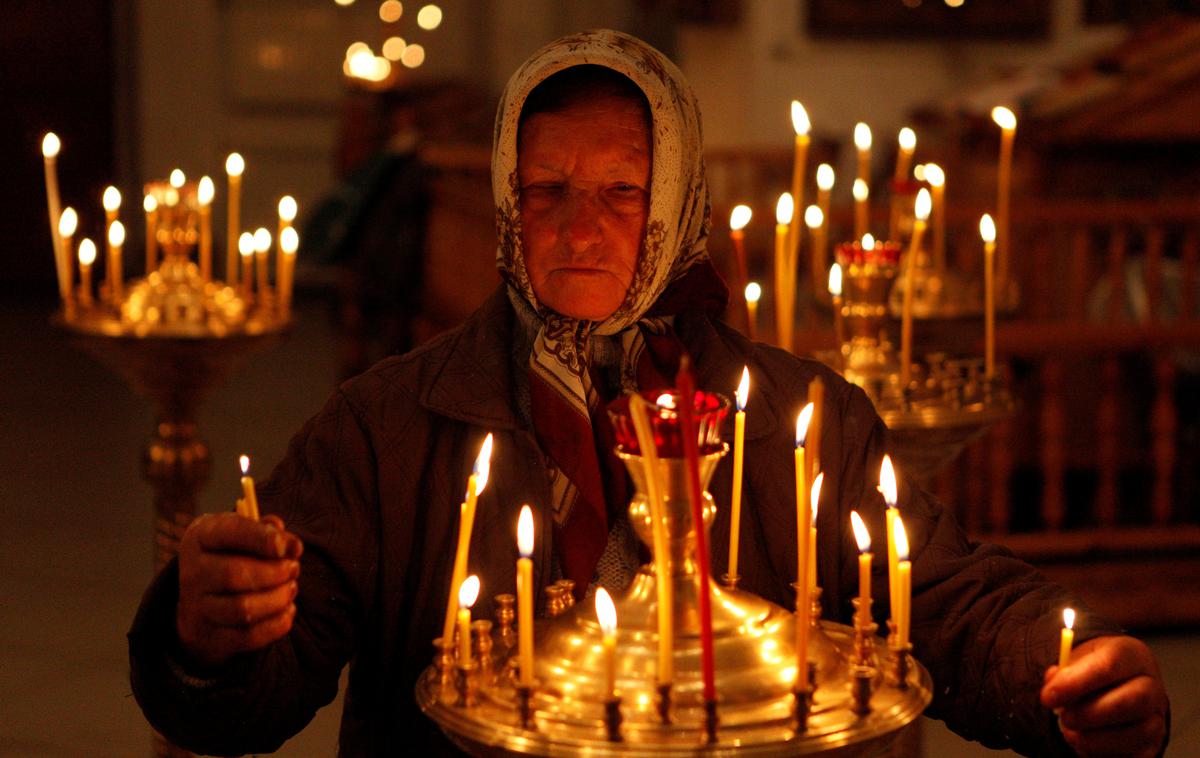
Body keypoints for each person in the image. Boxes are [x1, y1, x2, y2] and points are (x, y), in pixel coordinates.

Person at [129, 30, 1169, 757]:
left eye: (623, 191)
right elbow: (258, 691)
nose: (582, 226)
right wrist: (207, 636)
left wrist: (1066, 669)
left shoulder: (804, 417)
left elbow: (944, 600)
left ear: (676, 204)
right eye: (548, 191)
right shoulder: (388, 423)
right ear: (504, 200)